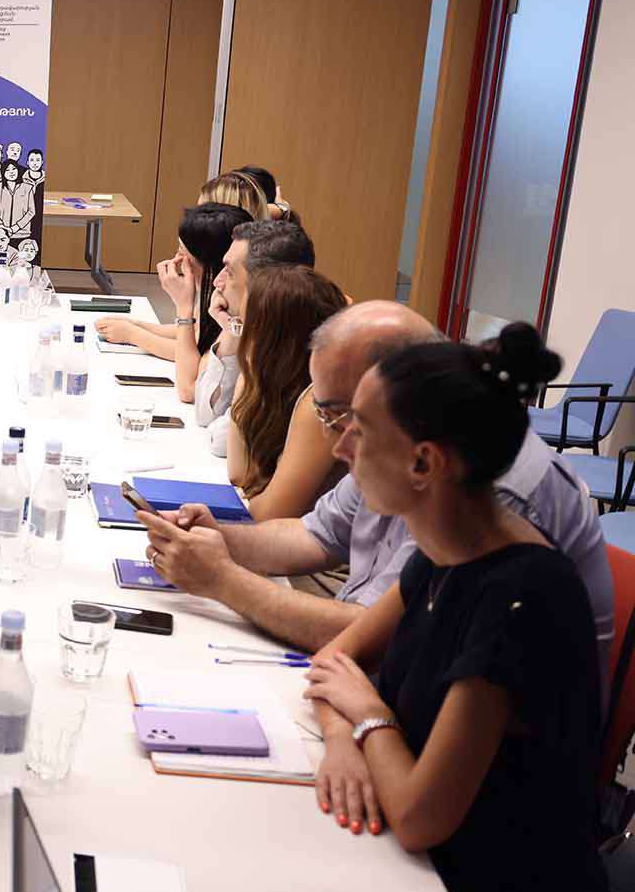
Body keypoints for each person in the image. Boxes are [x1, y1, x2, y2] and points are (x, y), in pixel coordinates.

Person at [300, 323, 617, 892]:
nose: (341, 446)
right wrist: (343, 741)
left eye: (360, 430)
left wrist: (367, 716)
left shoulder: (523, 596)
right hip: (430, 878)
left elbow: (419, 817)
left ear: (424, 463)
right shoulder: (443, 550)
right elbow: (333, 665)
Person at [138, 302, 615, 669]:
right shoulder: (404, 445)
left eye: (342, 416)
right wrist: (220, 540)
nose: (338, 443)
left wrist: (223, 580)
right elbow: (317, 535)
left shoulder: (486, 492)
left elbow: (379, 643)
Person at [227, 265, 349, 520]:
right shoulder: (283, 388)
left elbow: (268, 514)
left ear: (274, 342)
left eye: (246, 327)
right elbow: (238, 474)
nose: (242, 339)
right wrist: (248, 376)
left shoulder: (320, 403)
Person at [95, 203, 248, 384]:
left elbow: (190, 384)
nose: (176, 259)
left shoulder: (234, 307)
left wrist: (134, 334)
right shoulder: (218, 295)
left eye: (182, 252)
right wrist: (136, 326)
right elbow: (195, 335)